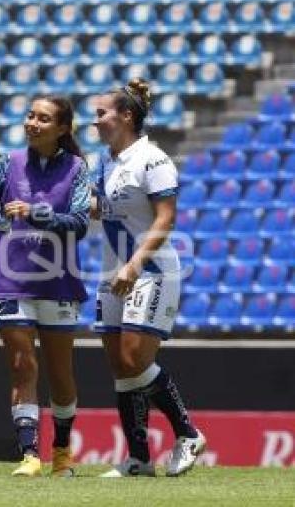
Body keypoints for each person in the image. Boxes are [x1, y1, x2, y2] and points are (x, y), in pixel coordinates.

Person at [0, 95, 89, 477]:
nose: (32, 122)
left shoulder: (78, 168)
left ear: (63, 129)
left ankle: (62, 450)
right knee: (22, 365)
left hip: (58, 280)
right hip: (12, 277)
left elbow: (80, 223)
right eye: (30, 115)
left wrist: (36, 214)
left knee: (60, 372)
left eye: (43, 118)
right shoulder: (10, 161)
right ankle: (30, 454)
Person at [91, 78, 205, 477]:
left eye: (102, 113)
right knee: (119, 367)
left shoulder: (152, 159)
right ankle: (138, 459)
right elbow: (98, 208)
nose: (96, 121)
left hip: (148, 270)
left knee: (134, 359)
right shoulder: (104, 161)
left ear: (126, 115)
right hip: (112, 272)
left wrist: (135, 263)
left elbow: (166, 218)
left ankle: (187, 433)